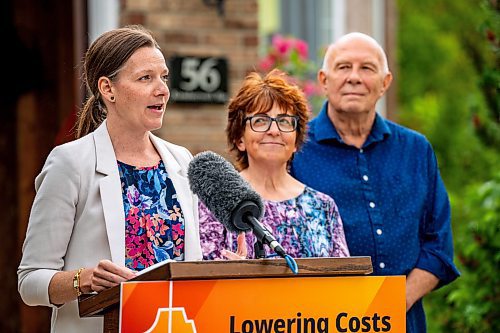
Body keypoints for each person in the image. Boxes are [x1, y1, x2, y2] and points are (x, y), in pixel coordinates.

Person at [17, 25, 202, 333]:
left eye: (164, 77)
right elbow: (30, 281)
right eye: (146, 78)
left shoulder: (182, 160)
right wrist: (83, 279)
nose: (162, 89)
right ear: (108, 88)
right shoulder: (70, 163)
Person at [290, 32, 460, 332]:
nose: (354, 77)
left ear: (385, 82)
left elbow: (438, 246)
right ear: (323, 80)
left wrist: (392, 305)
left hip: (404, 321)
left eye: (367, 68)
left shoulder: (416, 150)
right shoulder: (295, 148)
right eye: (343, 67)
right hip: (321, 320)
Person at [199, 69, 350, 260]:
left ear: (296, 140)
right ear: (239, 139)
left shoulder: (323, 207)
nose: (273, 130)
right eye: (260, 120)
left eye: (285, 121)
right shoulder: (216, 202)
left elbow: (345, 282)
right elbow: (201, 280)